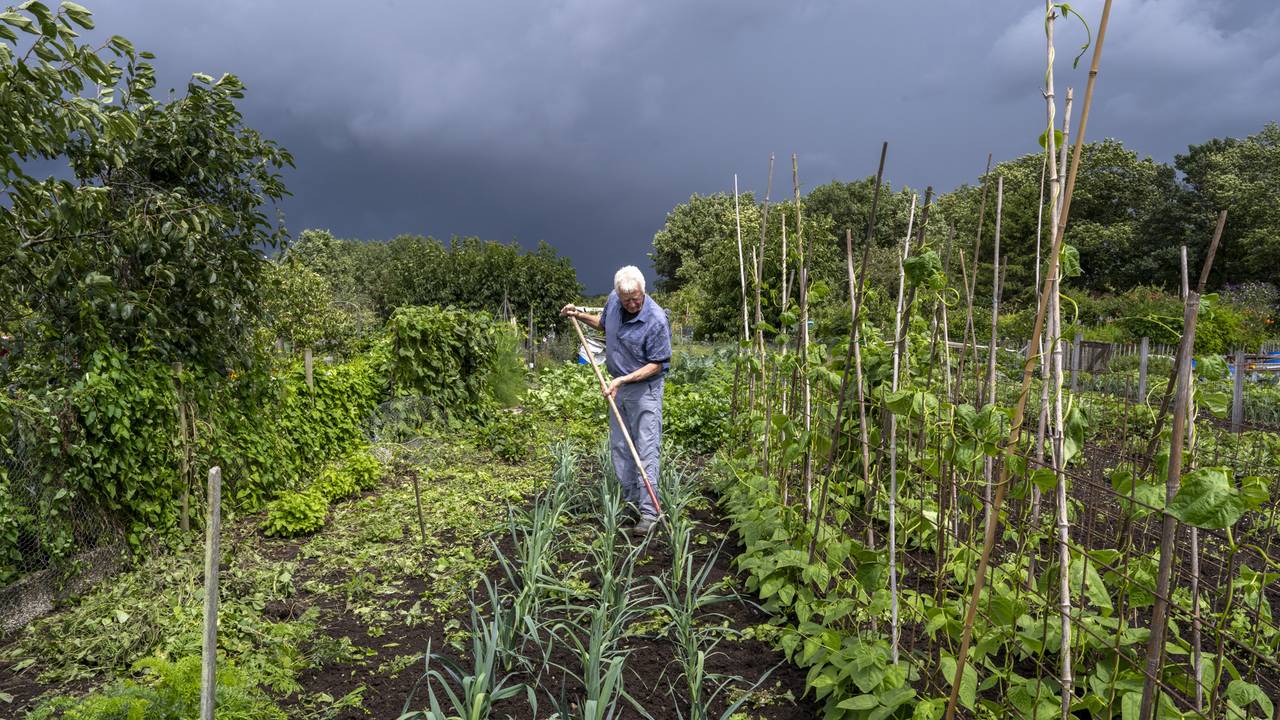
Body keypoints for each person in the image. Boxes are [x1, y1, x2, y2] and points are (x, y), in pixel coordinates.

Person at [561, 266, 671, 535]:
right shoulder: (614, 299)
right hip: (617, 389)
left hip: (644, 390)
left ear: (643, 291)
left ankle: (649, 513)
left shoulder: (655, 320)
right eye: (627, 300)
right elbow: (604, 324)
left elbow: (657, 364)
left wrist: (621, 380)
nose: (632, 304)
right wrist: (578, 315)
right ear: (619, 295)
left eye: (636, 298)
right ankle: (631, 503)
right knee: (621, 449)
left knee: (645, 450)